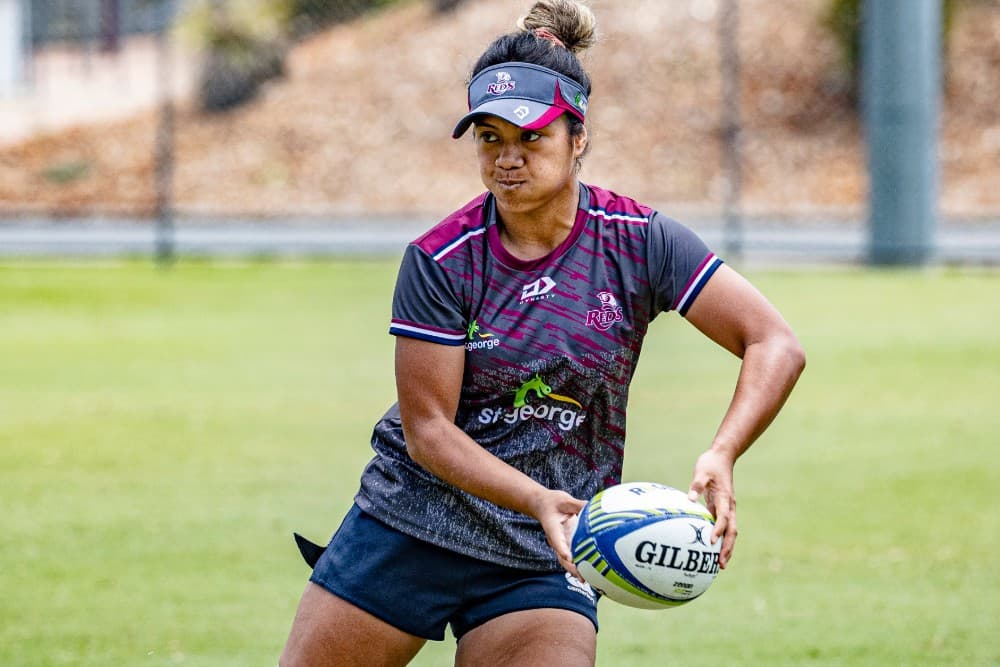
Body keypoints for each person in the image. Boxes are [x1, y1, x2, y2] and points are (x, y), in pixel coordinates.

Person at [279, 1, 805, 665]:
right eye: (490, 138)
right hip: (413, 522)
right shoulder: (442, 259)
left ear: (577, 137)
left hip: (543, 551)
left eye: (531, 138)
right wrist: (536, 499)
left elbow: (774, 342)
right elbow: (429, 431)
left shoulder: (640, 242)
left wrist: (722, 452)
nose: (507, 158)